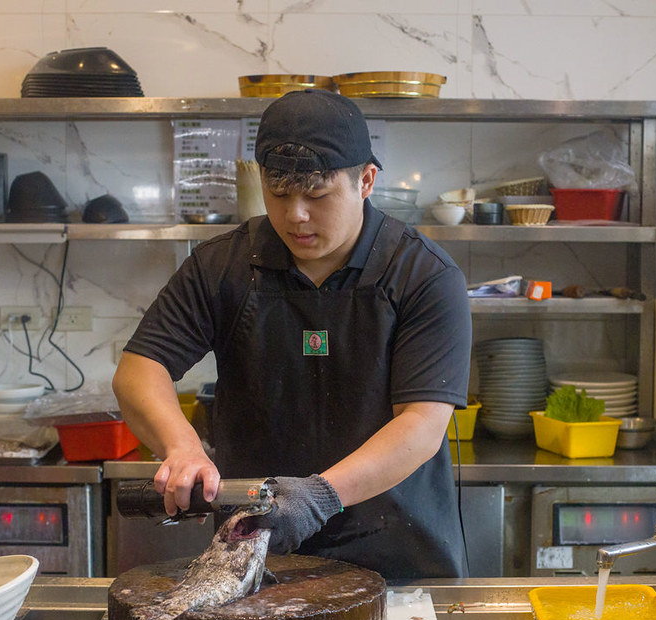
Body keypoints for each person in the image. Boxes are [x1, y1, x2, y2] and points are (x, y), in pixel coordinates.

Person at [112, 89, 472, 579]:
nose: (295, 215)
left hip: (399, 558)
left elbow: (423, 425)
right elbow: (139, 370)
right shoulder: (222, 266)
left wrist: (320, 496)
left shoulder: (422, 274)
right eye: (279, 194)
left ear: (365, 180)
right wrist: (183, 447)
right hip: (259, 555)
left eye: (317, 195)